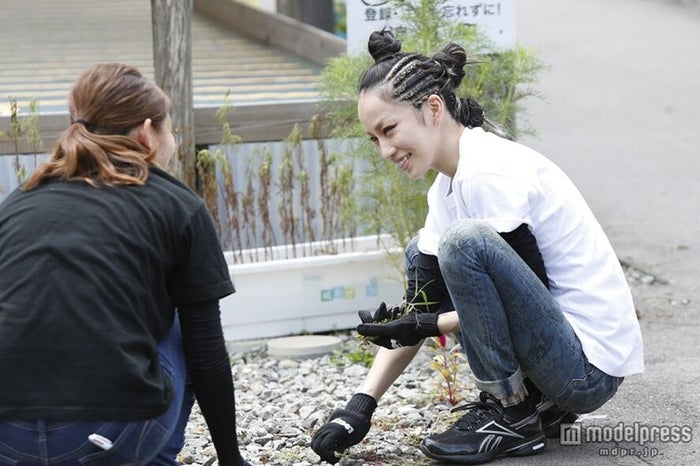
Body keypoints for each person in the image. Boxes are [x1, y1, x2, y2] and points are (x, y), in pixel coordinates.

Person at [310, 29, 644, 465]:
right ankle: (537, 405)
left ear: (432, 109)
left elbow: (520, 301)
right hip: (559, 358)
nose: (386, 150)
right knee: (422, 250)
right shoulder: (447, 188)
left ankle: (510, 413)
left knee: (462, 243)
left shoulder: (489, 172)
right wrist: (358, 409)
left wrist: (429, 324)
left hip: (587, 370)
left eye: (389, 129)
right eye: (375, 139)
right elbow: (422, 309)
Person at [0, 63, 251, 466]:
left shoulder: (18, 201)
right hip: (109, 436)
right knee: (181, 323)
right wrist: (230, 458)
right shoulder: (176, 205)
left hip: (7, 439)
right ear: (147, 132)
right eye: (171, 130)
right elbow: (206, 354)